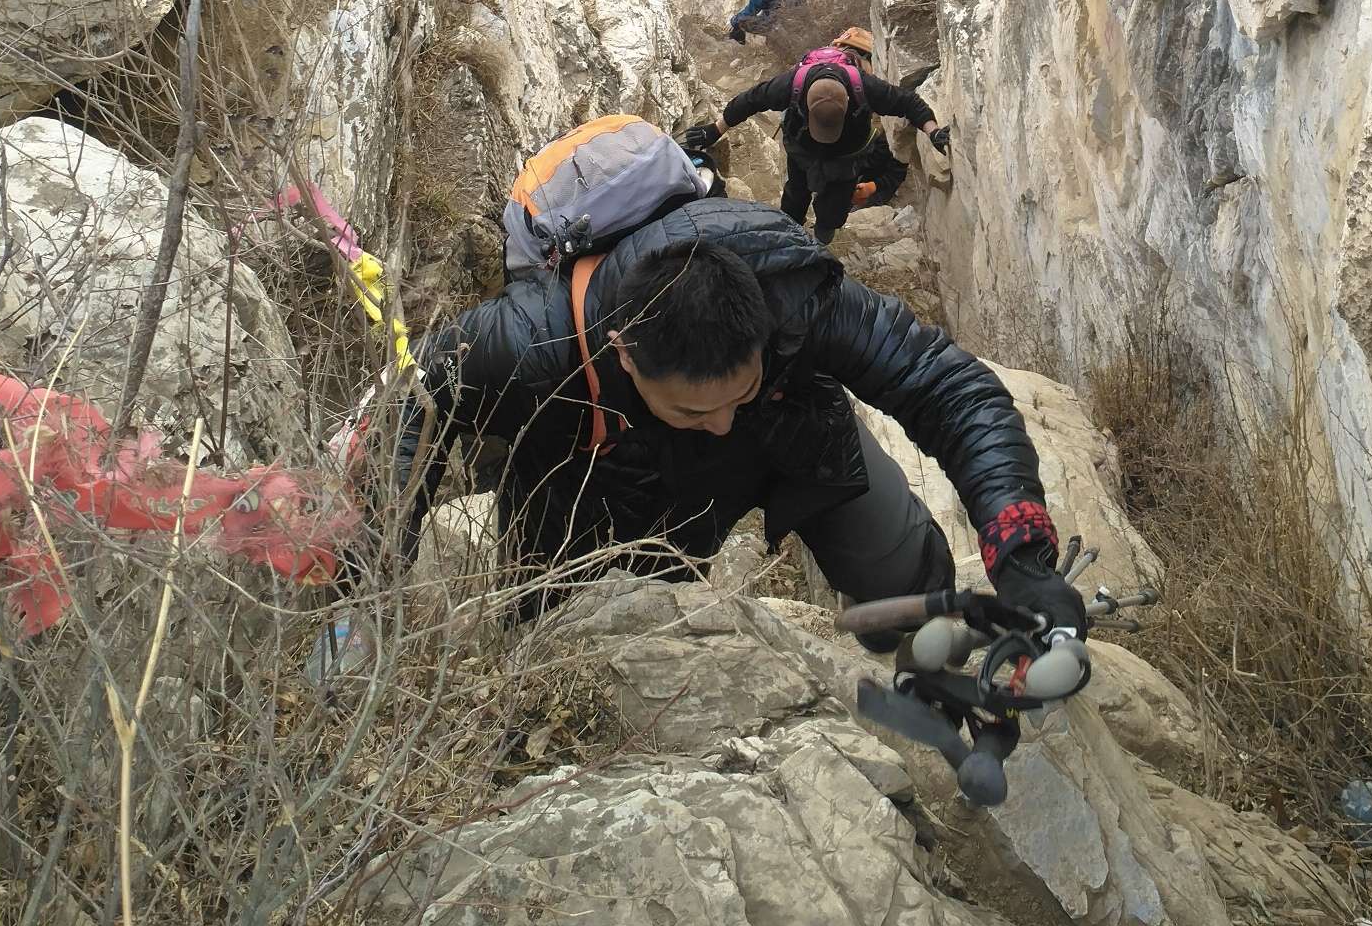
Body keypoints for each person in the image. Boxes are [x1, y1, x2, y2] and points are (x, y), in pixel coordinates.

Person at [380, 143, 1084, 641]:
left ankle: (906, 646)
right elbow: (415, 400)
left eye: (735, 393)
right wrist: (372, 570)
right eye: (694, 405)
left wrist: (1018, 552)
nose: (718, 422)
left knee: (908, 589)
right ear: (624, 352)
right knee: (586, 640)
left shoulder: (795, 294)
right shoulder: (529, 342)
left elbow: (946, 386)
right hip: (611, 481)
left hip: (794, 436)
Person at [686, 44, 950, 246]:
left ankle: (821, 239)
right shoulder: (790, 85)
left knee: (833, 208)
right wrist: (714, 130)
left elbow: (909, 103)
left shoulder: (864, 87)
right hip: (805, 151)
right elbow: (748, 101)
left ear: (849, 104)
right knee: (795, 195)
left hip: (845, 157)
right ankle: (790, 232)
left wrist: (933, 131)